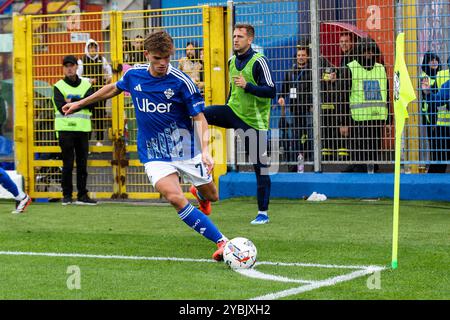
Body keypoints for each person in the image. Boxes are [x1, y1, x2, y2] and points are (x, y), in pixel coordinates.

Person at [62, 31, 229, 261]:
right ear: (146, 54)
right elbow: (113, 88)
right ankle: (222, 242)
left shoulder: (182, 82)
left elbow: (199, 117)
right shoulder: (135, 75)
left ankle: (199, 193)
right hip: (153, 152)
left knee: (213, 195)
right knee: (174, 197)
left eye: (167, 58)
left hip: (186, 150)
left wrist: (206, 151)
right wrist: (80, 103)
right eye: (157, 58)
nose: (162, 63)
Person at [203, 24, 276, 225]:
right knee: (199, 115)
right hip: (233, 111)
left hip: (254, 122)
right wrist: (226, 107)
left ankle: (263, 213)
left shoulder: (259, 61)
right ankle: (199, 176)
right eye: (234, 36)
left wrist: (248, 86)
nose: (235, 39)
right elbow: (232, 90)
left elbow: (271, 91)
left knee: (260, 168)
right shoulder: (231, 61)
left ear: (250, 40)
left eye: (240, 36)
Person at [338, 37, 389, 173]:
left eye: (371, 51)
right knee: (358, 154)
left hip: (377, 119)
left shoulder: (381, 68)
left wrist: (389, 120)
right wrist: (343, 122)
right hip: (357, 120)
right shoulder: (350, 68)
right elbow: (342, 97)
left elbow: (387, 94)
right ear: (359, 51)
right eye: (365, 50)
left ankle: (370, 170)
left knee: (373, 152)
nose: (368, 53)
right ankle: (358, 171)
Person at [53, 55, 97, 205]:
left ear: (77, 67)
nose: (69, 68)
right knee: (67, 163)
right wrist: (82, 101)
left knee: (82, 163)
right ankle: (67, 195)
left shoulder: (86, 85)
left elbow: (93, 104)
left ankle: (82, 195)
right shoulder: (58, 86)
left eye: (72, 65)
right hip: (65, 130)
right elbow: (61, 107)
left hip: (83, 130)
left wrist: (71, 102)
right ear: (63, 68)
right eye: (66, 66)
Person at [278, 45, 313, 168]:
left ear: (307, 56)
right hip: (295, 110)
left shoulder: (312, 71)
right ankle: (296, 163)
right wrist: (281, 97)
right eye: (299, 55)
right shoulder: (290, 73)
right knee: (296, 136)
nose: (301, 57)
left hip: (309, 110)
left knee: (311, 135)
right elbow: (284, 90)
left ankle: (314, 163)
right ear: (296, 57)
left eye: (303, 55)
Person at [77, 39, 113, 147]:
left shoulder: (102, 59)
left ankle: (100, 141)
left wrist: (109, 78)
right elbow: (78, 76)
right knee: (87, 116)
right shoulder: (81, 61)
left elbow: (109, 71)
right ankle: (85, 141)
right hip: (87, 92)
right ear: (87, 49)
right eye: (90, 47)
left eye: (94, 47)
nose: (93, 49)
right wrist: (88, 80)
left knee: (100, 115)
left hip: (100, 92)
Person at [421, 72, 450, 173]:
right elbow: (436, 100)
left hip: (444, 129)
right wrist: (428, 92)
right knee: (439, 163)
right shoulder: (447, 85)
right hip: (444, 130)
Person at [420, 52, 443, 172]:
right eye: (431, 60)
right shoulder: (424, 77)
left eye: (436, 59)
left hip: (442, 116)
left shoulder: (441, 76)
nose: (434, 62)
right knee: (434, 144)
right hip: (430, 116)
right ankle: (433, 167)